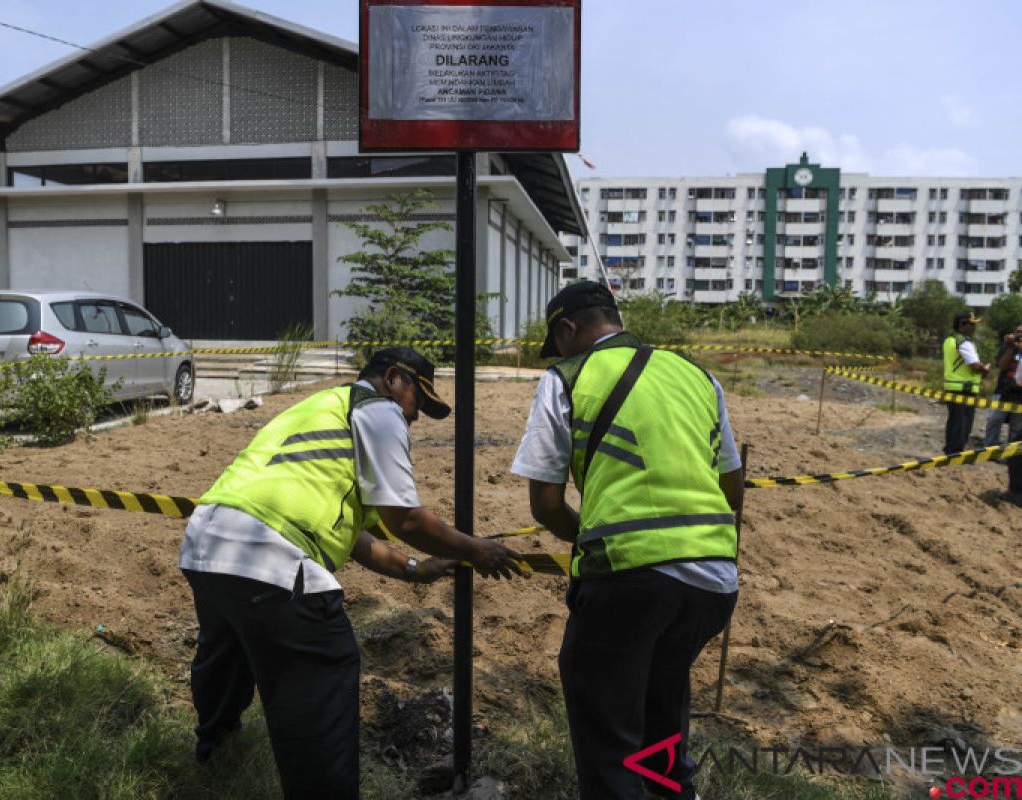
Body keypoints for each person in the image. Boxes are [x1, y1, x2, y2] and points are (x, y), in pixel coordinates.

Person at [179, 347, 521, 798]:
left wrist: (415, 569)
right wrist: (476, 549)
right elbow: (407, 520)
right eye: (418, 400)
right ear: (394, 379)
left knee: (227, 655)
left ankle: (215, 759)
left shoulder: (320, 408)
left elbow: (359, 538)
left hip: (208, 545)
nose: (415, 416)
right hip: (272, 557)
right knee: (322, 673)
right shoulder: (379, 411)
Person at [511, 281, 743, 800]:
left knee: (609, 738)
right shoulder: (696, 375)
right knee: (663, 714)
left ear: (567, 329)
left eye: (559, 341)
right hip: (713, 580)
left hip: (629, 579)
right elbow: (732, 484)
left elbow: (545, 505)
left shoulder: (565, 378)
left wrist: (588, 538)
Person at [942, 311, 990, 455]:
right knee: (963, 423)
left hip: (952, 386)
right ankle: (955, 452)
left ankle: (950, 450)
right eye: (971, 324)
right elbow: (974, 365)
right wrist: (984, 369)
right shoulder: (963, 342)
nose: (974, 328)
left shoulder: (950, 340)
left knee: (954, 421)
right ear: (962, 325)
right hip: (964, 388)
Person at [996, 323, 1022, 507]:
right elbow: (1003, 366)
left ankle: (1015, 493)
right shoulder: (1011, 350)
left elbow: (1019, 380)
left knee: (1015, 451)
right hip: (1010, 397)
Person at [984, 325, 1021, 447]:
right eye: (1018, 332)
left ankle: (1011, 456)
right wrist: (1011, 348)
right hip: (1003, 391)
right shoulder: (1007, 347)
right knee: (994, 420)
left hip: (1020, 395)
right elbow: (1002, 366)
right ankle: (990, 449)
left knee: (1017, 426)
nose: (1019, 335)